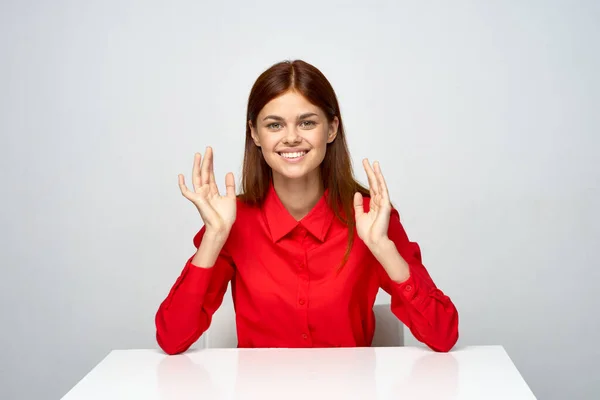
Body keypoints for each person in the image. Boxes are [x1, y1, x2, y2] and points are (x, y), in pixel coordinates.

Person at [155, 60, 459, 355]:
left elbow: (443, 335)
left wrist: (383, 247)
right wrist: (214, 236)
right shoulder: (232, 221)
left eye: (307, 122)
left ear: (331, 129)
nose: (290, 137)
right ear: (255, 134)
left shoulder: (371, 216)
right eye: (274, 125)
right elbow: (172, 338)